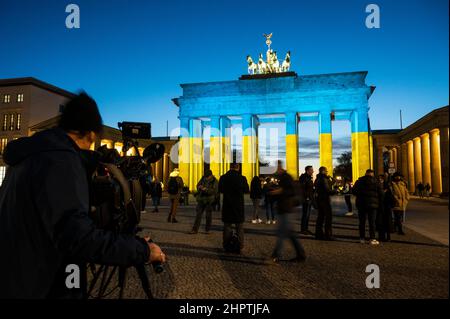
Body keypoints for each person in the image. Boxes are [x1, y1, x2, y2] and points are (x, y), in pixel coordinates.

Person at [0, 92, 165, 299]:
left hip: (15, 276)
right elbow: (77, 238)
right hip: (40, 285)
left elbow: (51, 219)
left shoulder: (30, 156)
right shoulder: (61, 161)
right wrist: (142, 250)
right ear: (91, 134)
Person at [270, 161, 306, 263]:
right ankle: (301, 254)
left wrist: (279, 191)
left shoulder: (286, 177)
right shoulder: (283, 178)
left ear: (279, 168)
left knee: (282, 233)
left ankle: (276, 255)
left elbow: (291, 191)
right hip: (284, 208)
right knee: (290, 233)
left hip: (286, 208)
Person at [219, 163, 249, 253]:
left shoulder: (223, 177)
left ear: (230, 167)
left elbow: (220, 189)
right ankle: (240, 246)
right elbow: (246, 190)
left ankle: (226, 245)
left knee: (227, 226)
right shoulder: (242, 178)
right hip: (238, 206)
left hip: (227, 205)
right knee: (239, 226)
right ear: (238, 168)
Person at [352, 169, 383, 245]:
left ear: (365, 173)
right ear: (372, 174)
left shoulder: (359, 181)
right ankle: (372, 239)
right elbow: (381, 194)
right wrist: (379, 203)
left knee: (362, 222)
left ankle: (362, 238)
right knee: (372, 222)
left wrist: (360, 195)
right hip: (373, 205)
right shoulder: (376, 182)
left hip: (361, 204)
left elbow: (354, 191)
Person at [190, 170, 218, 234]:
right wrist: (199, 187)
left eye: (207, 176)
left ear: (211, 176)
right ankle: (195, 229)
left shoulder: (215, 181)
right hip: (201, 199)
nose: (206, 178)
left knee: (208, 216)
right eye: (205, 176)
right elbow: (198, 185)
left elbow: (214, 191)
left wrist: (206, 190)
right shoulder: (203, 178)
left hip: (209, 200)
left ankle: (207, 230)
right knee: (198, 215)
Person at [313, 166, 335, 240]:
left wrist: (331, 180)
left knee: (320, 217)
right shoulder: (323, 179)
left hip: (319, 200)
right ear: (323, 171)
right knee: (328, 218)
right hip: (325, 200)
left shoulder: (317, 179)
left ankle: (318, 235)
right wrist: (335, 191)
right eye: (326, 171)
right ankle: (328, 235)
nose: (327, 172)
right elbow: (327, 190)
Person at [377, 175, 394, 242]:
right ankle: (381, 236)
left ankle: (388, 236)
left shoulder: (387, 188)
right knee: (380, 222)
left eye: (381, 179)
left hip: (386, 207)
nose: (380, 180)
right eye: (379, 179)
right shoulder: (377, 187)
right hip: (380, 207)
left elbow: (391, 197)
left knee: (387, 222)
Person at [298, 166, 314, 235]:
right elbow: (302, 189)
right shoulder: (304, 178)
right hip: (306, 199)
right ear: (307, 170)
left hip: (309, 198)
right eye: (311, 170)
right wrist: (306, 197)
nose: (313, 171)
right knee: (305, 214)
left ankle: (305, 229)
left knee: (307, 215)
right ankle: (303, 229)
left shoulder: (307, 178)